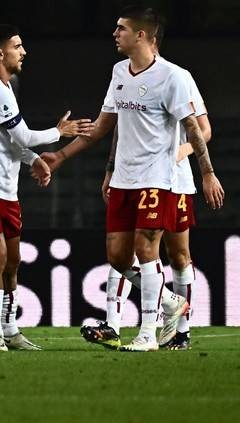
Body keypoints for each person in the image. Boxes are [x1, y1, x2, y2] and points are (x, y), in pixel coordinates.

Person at [40, 6, 224, 352]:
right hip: (125, 178)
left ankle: (150, 333)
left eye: (121, 28)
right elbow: (106, 126)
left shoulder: (174, 77)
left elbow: (196, 129)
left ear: (142, 35)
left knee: (159, 251)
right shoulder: (118, 72)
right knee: (118, 257)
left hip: (161, 178)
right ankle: (171, 303)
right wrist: (62, 155)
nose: (114, 33)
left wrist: (207, 172)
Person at [0, 23, 95, 351]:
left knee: (13, 260)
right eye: (18, 46)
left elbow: (10, 141)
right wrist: (60, 131)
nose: (24, 52)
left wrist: (33, 160)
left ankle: (11, 329)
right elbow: (24, 135)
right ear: (0, 54)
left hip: (4, 188)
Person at [81, 26, 212, 351]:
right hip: (138, 176)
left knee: (178, 255)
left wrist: (185, 153)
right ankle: (115, 323)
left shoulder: (178, 78)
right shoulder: (128, 76)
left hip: (175, 180)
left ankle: (180, 330)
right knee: (130, 250)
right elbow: (117, 126)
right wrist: (111, 169)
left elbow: (203, 129)